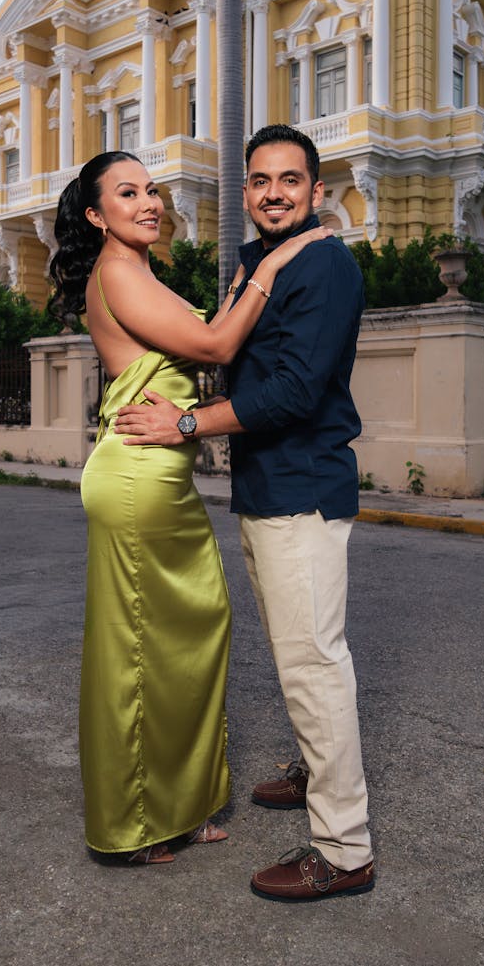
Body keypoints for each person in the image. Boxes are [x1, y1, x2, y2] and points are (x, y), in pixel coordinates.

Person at [115, 124, 374, 902]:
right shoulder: (263, 260)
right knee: (298, 656)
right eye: (260, 181)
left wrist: (186, 424)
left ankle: (344, 849)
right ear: (246, 192)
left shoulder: (324, 263)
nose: (273, 193)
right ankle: (315, 770)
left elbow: (293, 392)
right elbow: (222, 350)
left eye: (290, 181)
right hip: (269, 489)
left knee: (313, 663)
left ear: (316, 191)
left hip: (303, 489)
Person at [49, 151, 329, 865]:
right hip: (136, 479)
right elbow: (211, 345)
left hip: (161, 479)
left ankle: (183, 801)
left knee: (195, 628)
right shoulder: (114, 273)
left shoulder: (143, 274)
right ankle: (132, 825)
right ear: (95, 214)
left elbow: (201, 349)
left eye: (151, 189)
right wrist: (279, 258)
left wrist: (244, 276)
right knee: (139, 650)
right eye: (127, 193)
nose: (149, 202)